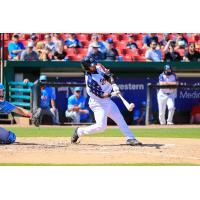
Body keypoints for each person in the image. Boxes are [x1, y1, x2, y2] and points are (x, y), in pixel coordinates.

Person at [71, 57, 142, 146]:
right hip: (98, 103)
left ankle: (130, 138)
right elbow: (100, 94)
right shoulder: (90, 80)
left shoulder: (99, 66)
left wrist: (114, 84)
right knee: (101, 127)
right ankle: (79, 131)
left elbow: (108, 75)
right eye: (92, 65)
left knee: (119, 118)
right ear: (87, 68)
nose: (95, 66)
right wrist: (112, 94)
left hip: (107, 101)